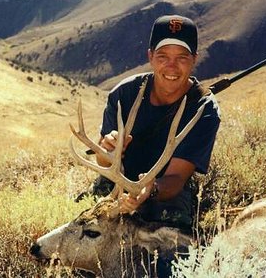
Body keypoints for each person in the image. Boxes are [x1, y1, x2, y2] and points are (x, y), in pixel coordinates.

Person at [92, 15, 220, 276]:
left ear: (194, 59)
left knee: (170, 254)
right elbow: (103, 162)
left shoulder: (204, 110)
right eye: (163, 56)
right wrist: (107, 152)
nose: (171, 67)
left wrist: (147, 192)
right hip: (119, 180)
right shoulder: (123, 95)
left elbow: (175, 178)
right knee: (81, 226)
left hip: (165, 191)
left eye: (182, 57)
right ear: (150, 56)